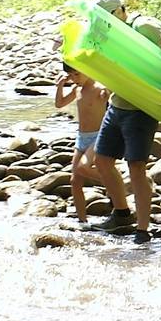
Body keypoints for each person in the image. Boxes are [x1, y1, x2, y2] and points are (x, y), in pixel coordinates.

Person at [91, 0, 161, 243]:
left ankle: (143, 230)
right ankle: (121, 214)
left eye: (107, 19)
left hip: (142, 108)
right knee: (102, 160)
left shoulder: (144, 26)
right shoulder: (112, 33)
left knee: (136, 168)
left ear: (120, 11)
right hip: (117, 104)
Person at [53, 64, 128, 228]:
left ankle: (117, 187)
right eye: (71, 76)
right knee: (75, 181)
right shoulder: (76, 90)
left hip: (98, 136)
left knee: (83, 167)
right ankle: (82, 222)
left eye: (77, 74)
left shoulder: (100, 88)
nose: (74, 79)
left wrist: (108, 92)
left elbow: (112, 94)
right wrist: (60, 86)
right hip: (82, 138)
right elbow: (59, 104)